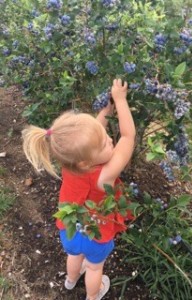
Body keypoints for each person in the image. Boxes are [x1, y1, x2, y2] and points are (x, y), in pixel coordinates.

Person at [22, 78, 136, 300]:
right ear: (86, 161)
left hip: (70, 230)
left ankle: (71, 280)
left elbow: (90, 137)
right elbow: (128, 136)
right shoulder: (106, 175)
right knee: (94, 268)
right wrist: (120, 101)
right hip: (97, 236)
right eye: (104, 143)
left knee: (74, 255)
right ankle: (93, 296)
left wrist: (104, 111)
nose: (110, 139)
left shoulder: (70, 164)